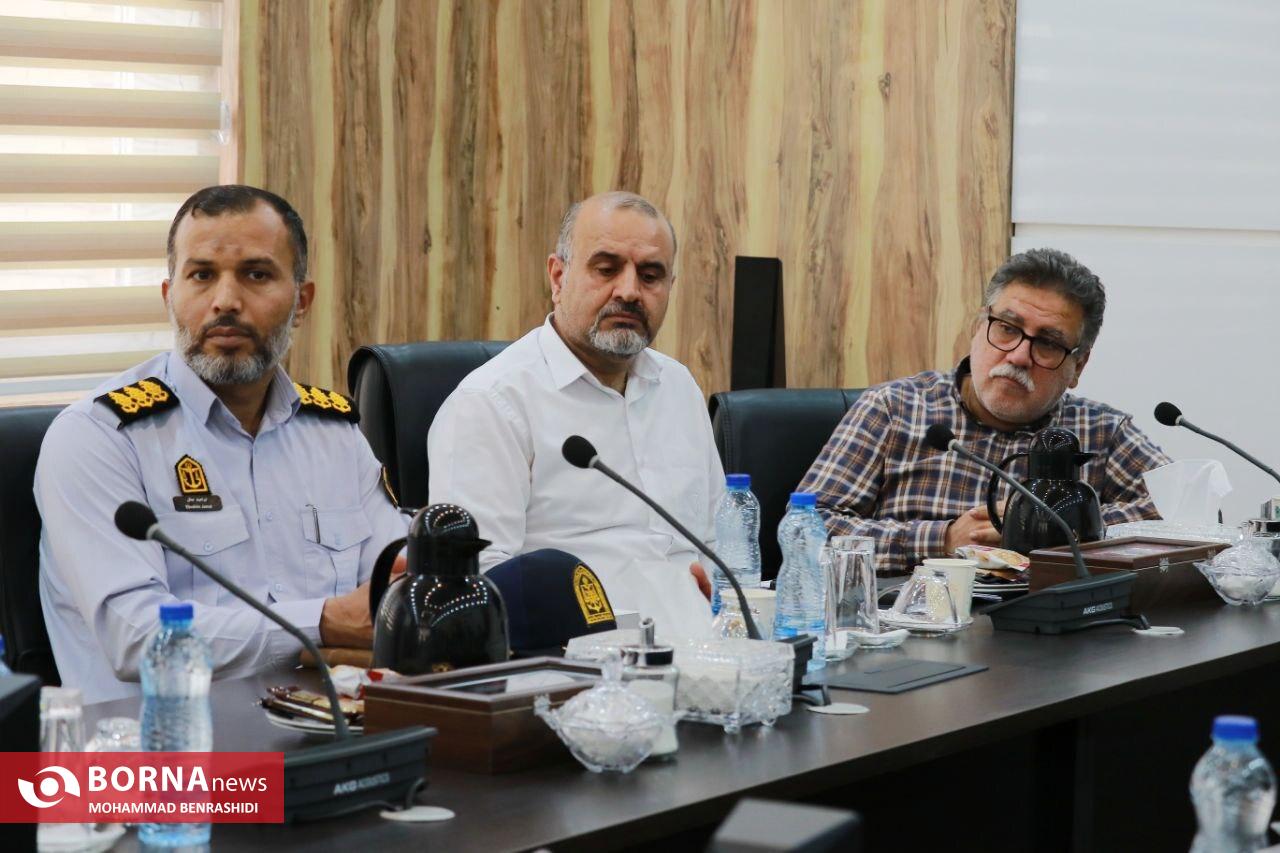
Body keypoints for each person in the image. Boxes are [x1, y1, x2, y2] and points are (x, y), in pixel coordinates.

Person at [35, 185, 407, 702]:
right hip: (161, 744)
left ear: (301, 302)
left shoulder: (334, 435)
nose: (226, 301)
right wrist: (320, 625)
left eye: (256, 275)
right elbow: (138, 638)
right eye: (202, 275)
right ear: (170, 297)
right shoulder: (99, 437)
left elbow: (394, 594)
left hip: (329, 726)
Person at [428, 191, 724, 638]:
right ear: (558, 276)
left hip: (707, 652)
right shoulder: (491, 403)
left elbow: (716, 544)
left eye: (650, 276)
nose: (629, 291)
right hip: (581, 663)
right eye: (606, 269)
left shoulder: (678, 387)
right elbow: (477, 590)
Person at [799, 248, 1171, 575]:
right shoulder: (893, 409)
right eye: (1007, 328)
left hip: (1051, 624)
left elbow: (1186, 511)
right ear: (979, 327)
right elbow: (805, 530)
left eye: (1048, 343)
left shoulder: (1102, 431)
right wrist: (943, 539)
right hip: (917, 619)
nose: (1019, 356)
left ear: (1078, 366)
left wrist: (1063, 522)